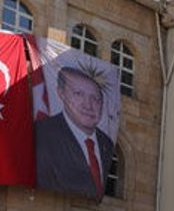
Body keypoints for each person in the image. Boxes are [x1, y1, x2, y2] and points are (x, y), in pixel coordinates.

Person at [34, 66, 115, 200]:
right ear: (62, 94)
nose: (88, 105)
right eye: (78, 94)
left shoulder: (107, 143)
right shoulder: (43, 134)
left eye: (95, 99)